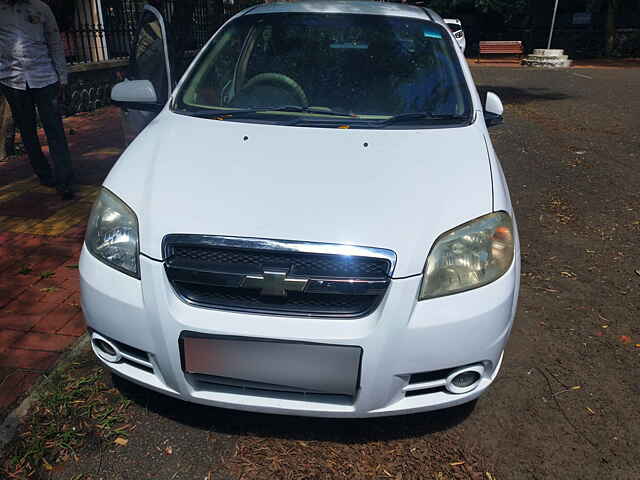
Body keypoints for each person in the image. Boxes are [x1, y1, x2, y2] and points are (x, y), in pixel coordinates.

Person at [0, 0, 74, 199]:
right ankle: (43, 173)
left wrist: (63, 76)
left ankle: (65, 180)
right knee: (27, 131)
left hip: (45, 77)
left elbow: (54, 41)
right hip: (12, 81)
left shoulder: (41, 8)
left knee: (55, 129)